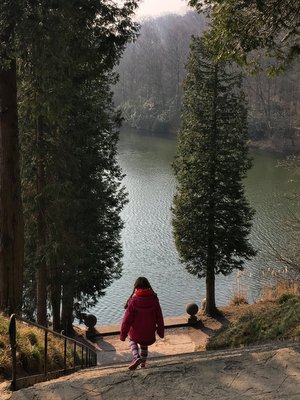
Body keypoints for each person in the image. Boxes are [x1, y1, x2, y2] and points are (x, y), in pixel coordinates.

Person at [120, 276, 164, 370]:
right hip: (149, 333)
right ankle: (142, 365)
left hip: (136, 333)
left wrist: (123, 335)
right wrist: (161, 332)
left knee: (131, 339)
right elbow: (159, 318)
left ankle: (136, 357)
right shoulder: (154, 300)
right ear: (148, 286)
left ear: (136, 287)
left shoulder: (133, 301)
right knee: (144, 344)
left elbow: (126, 321)